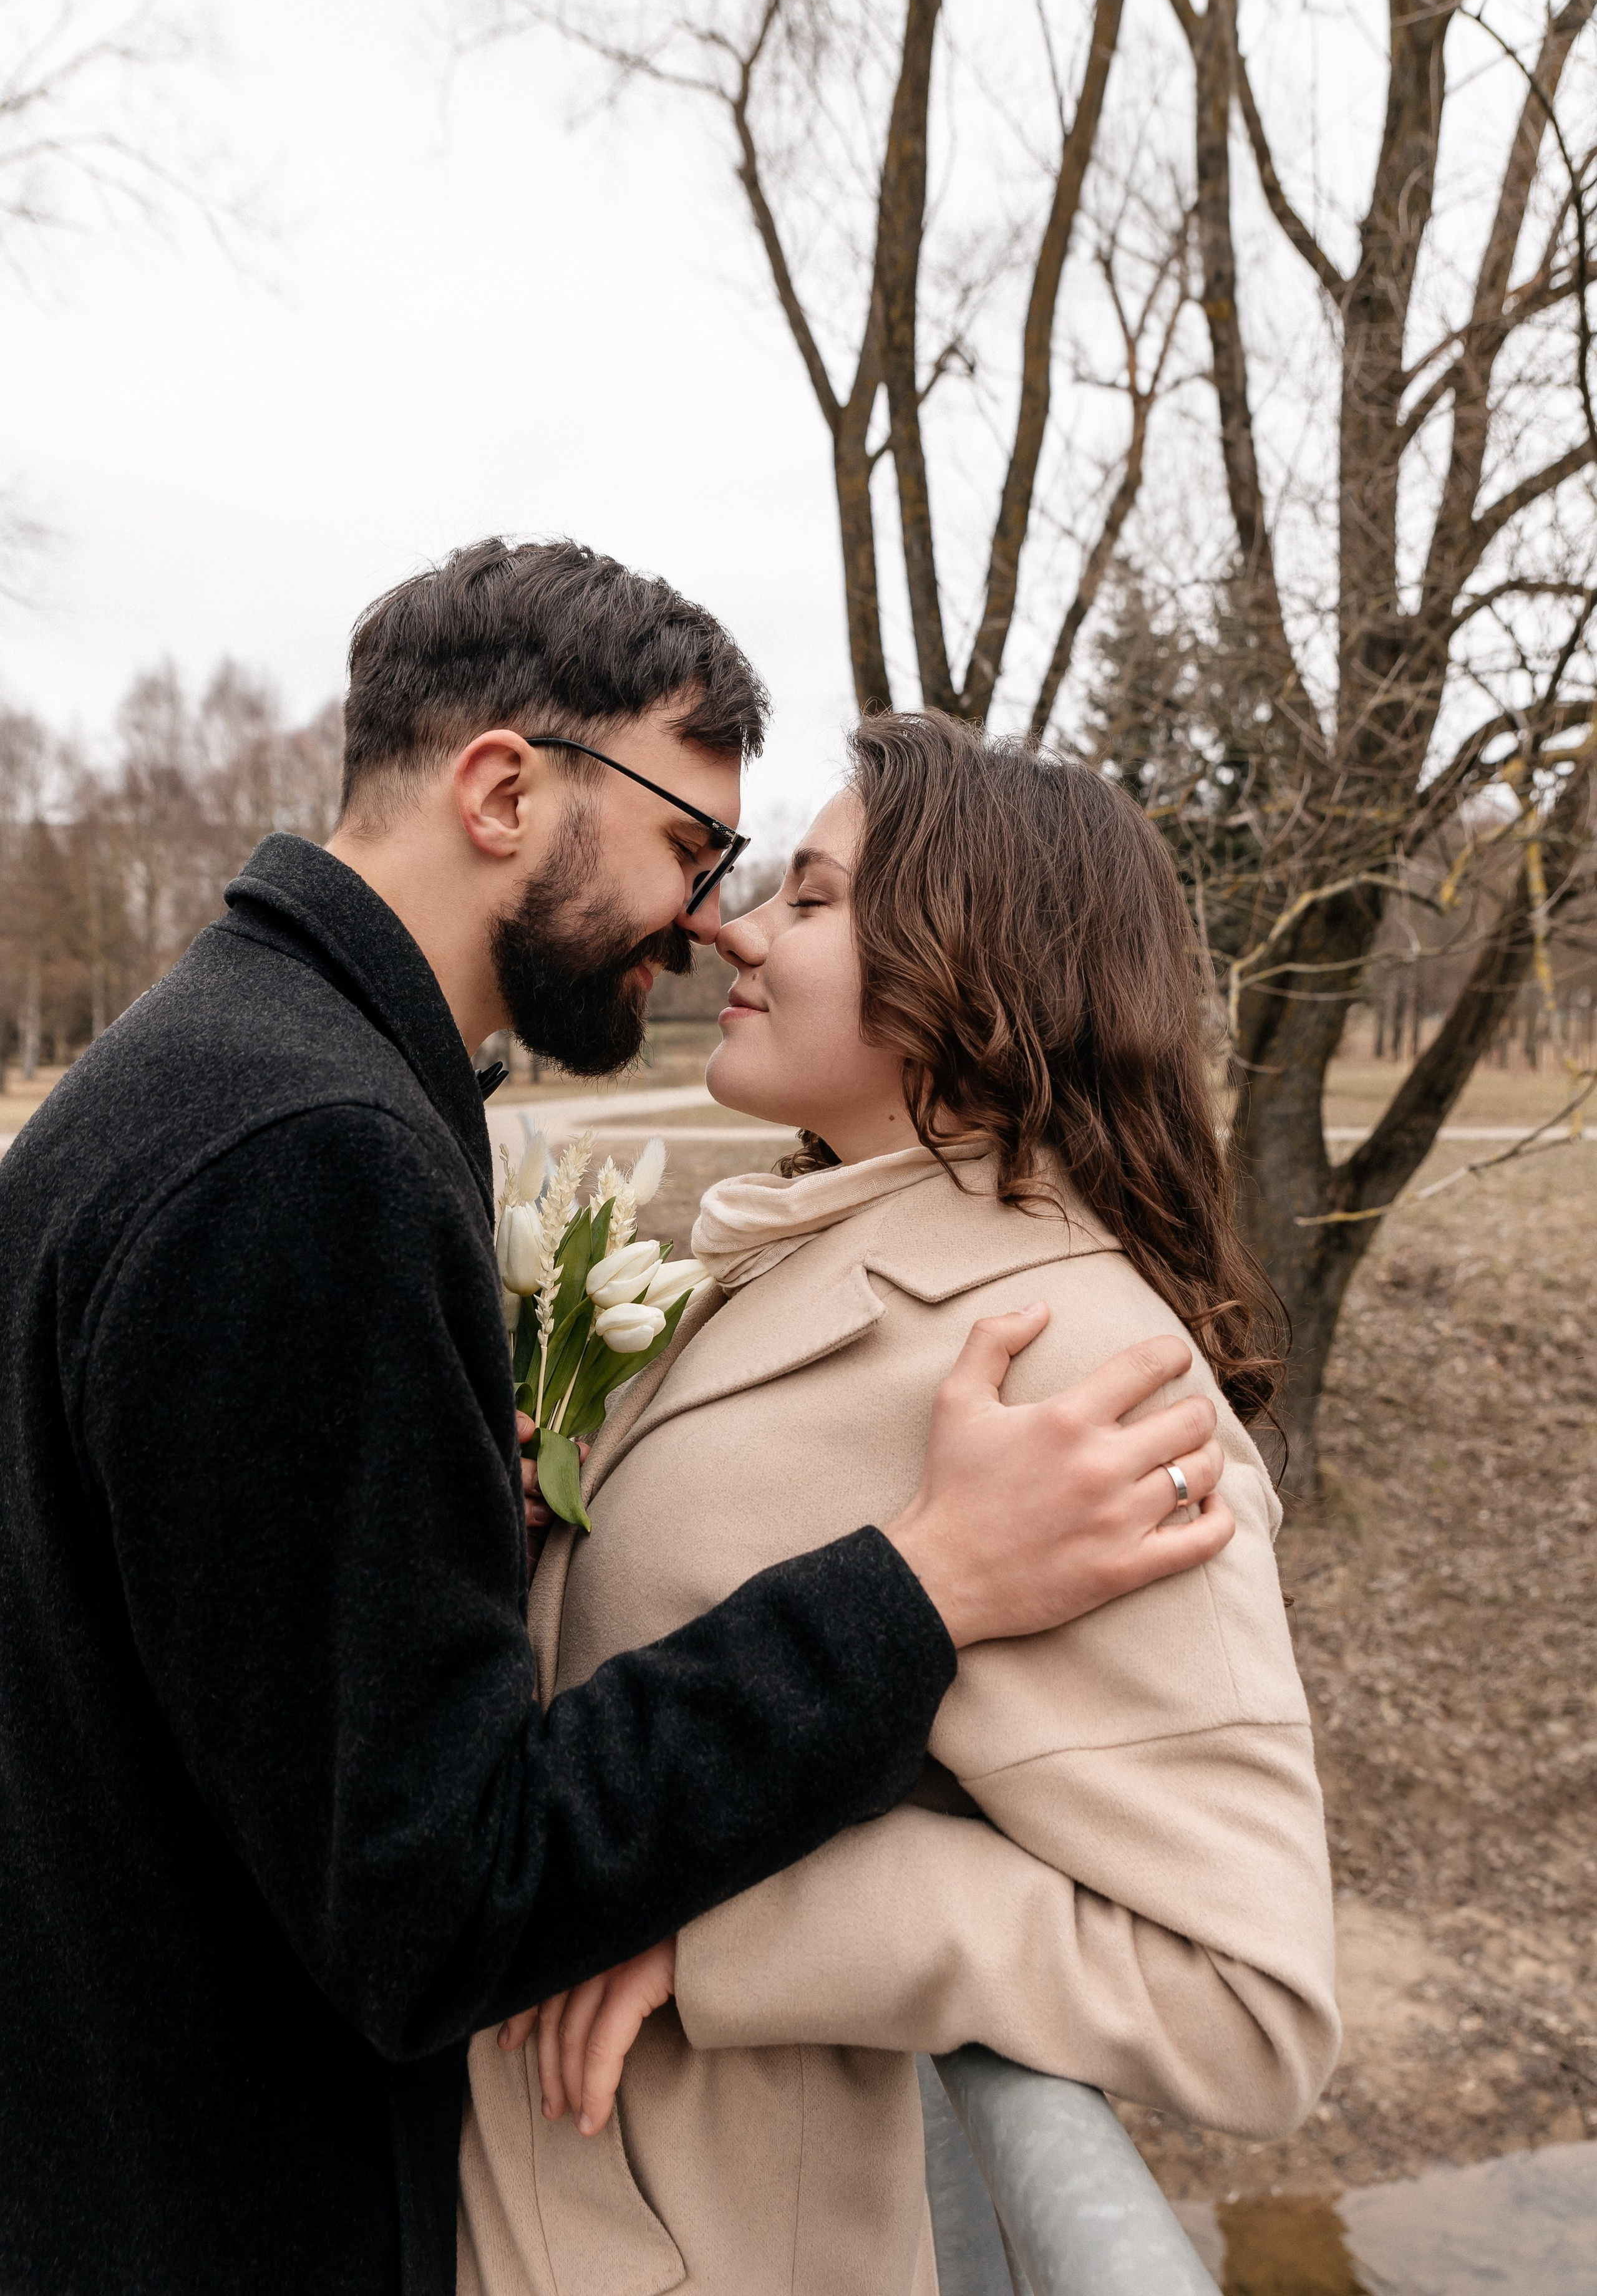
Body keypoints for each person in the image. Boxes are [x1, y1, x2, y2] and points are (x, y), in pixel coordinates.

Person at [0, 542, 1230, 2296]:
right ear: (503, 788)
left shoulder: (217, 1067)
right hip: (218, 2206)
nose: (704, 916)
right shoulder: (310, 1156)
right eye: (689, 843)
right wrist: (921, 1585)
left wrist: (418, 1532)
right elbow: (438, 1901)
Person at [461, 712, 1339, 2296]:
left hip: (692, 2242)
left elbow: (1246, 2002)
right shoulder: (805, 1248)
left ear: (969, 972)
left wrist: (726, 1930)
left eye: (808, 898)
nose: (727, 923)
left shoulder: (1079, 1363)